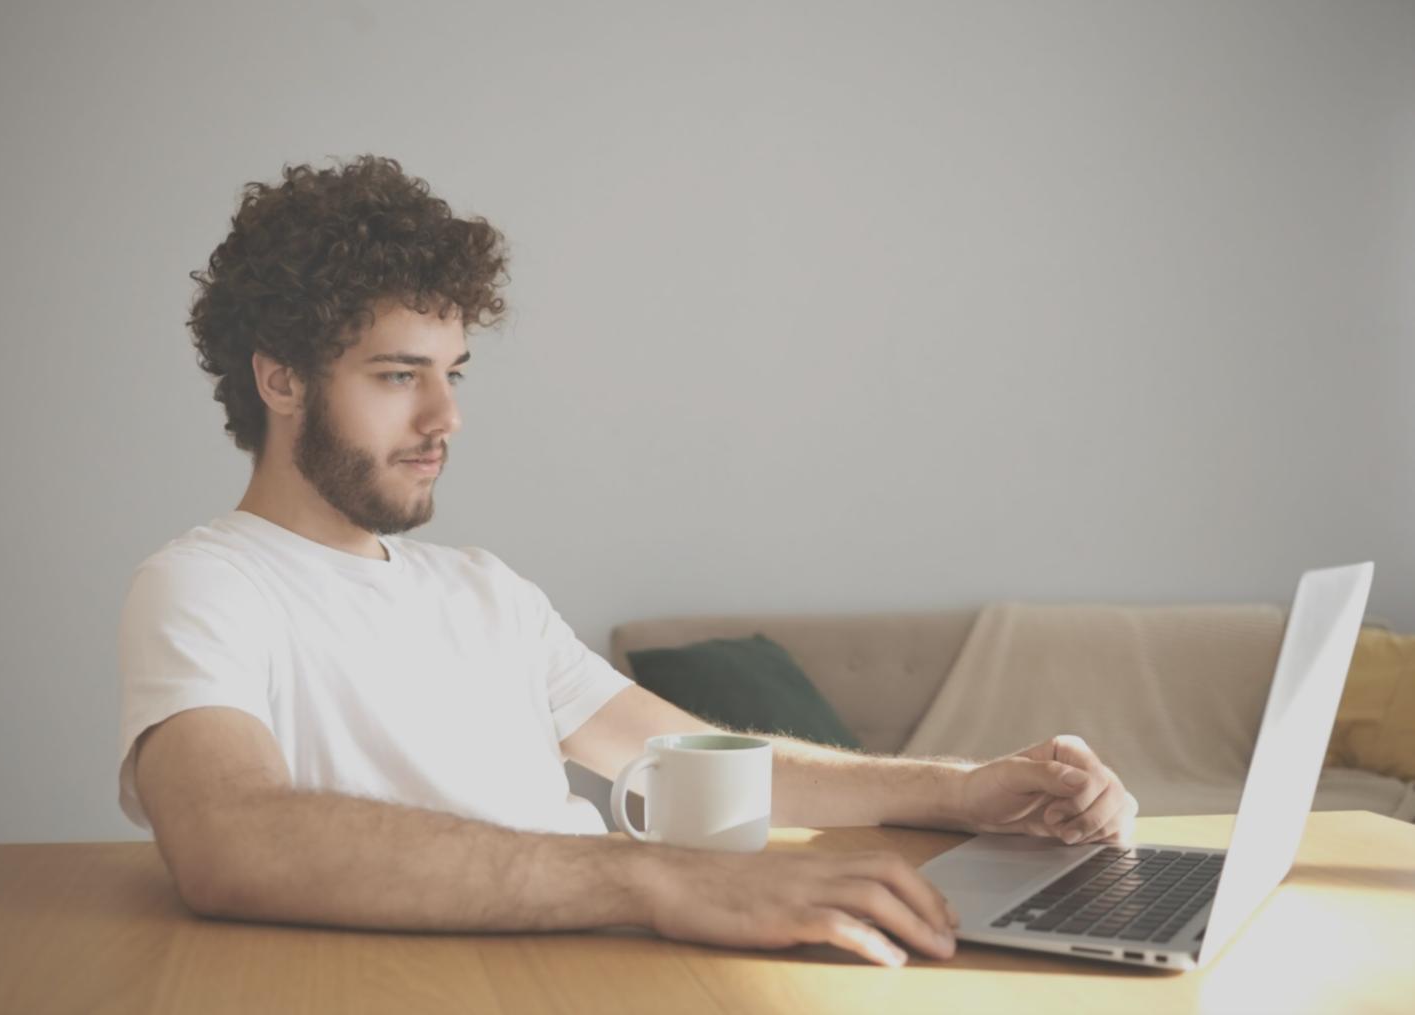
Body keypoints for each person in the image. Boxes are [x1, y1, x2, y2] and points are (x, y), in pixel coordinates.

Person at [118, 154, 1138, 970]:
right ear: (280, 378)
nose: (446, 419)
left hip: (614, 965)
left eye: (452, 375)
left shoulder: (481, 587)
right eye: (398, 376)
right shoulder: (208, 582)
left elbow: (700, 762)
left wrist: (962, 790)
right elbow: (229, 840)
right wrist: (655, 880)